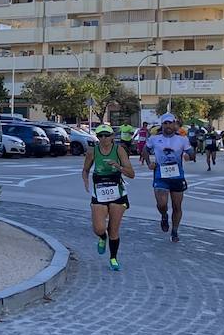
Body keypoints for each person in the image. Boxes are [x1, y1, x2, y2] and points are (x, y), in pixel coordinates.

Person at [83, 124, 135, 271]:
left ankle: (113, 258)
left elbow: (131, 174)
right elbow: (85, 170)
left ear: (112, 136)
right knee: (99, 228)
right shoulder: (92, 152)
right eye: (100, 136)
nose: (104, 138)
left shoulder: (119, 150)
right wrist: (85, 180)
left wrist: (118, 166)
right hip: (99, 192)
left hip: (117, 193)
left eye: (106, 135)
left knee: (113, 229)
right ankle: (102, 237)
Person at [145, 113, 194, 242]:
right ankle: (164, 215)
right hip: (160, 175)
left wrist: (189, 156)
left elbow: (191, 151)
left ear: (174, 124)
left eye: (170, 123)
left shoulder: (182, 139)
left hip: (177, 176)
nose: (168, 126)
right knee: (162, 204)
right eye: (165, 123)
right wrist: (149, 163)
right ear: (162, 125)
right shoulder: (155, 138)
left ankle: (175, 231)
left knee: (177, 206)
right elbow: (145, 150)